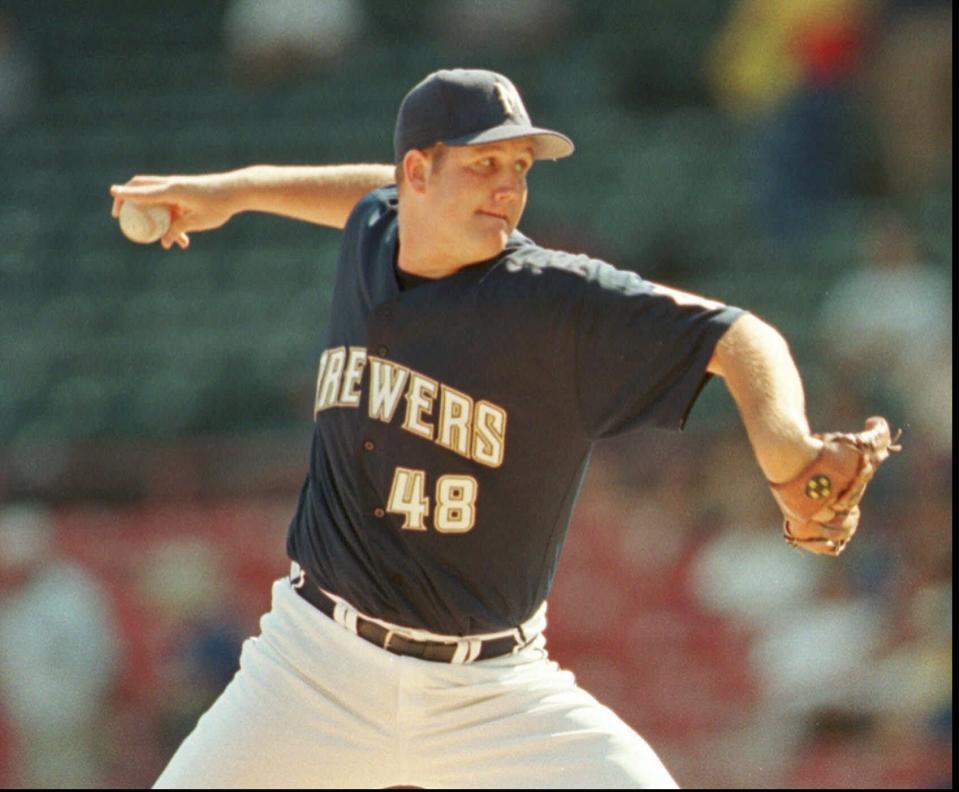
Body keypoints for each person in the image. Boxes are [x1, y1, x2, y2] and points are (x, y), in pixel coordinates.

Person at [110, 69, 888, 788]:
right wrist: (236, 192)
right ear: (417, 174)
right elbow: (362, 194)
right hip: (311, 668)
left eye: (519, 168)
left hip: (494, 695)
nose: (509, 188)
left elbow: (737, 335)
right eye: (485, 165)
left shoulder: (556, 300)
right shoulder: (375, 230)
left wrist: (785, 446)